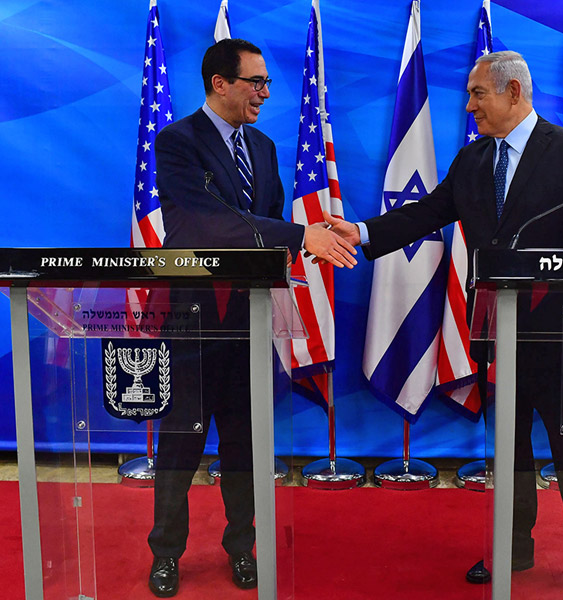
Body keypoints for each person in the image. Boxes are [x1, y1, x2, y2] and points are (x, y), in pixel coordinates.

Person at [322, 51, 563, 600]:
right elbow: (426, 213)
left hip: (554, 330)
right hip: (493, 330)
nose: (469, 105)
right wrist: (361, 233)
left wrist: (545, 274)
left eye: (477, 93)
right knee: (506, 447)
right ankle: (514, 546)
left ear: (513, 93)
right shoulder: (474, 158)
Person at [147, 39, 356, 597]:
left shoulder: (262, 147)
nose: (265, 92)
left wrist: (308, 239)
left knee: (244, 443)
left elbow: (263, 223)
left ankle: (243, 548)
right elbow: (201, 222)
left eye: (266, 82)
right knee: (179, 443)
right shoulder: (176, 142)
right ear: (220, 83)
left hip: (250, 316)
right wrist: (297, 234)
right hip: (191, 318)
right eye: (255, 81)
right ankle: (165, 553)